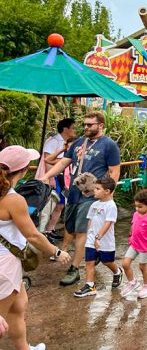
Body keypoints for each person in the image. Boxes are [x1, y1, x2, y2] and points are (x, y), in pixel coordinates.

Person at [0, 146, 71, 350]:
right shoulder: (13, 200)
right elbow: (32, 235)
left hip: (8, 262)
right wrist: (56, 252)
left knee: (18, 307)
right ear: (24, 170)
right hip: (5, 265)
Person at [43, 111, 120, 286]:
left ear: (100, 125)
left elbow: (114, 171)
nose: (86, 127)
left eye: (90, 124)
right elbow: (64, 162)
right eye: (85, 124)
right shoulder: (79, 142)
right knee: (70, 228)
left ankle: (75, 268)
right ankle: (92, 254)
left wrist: (107, 195)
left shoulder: (109, 145)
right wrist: (45, 176)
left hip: (92, 196)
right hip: (74, 193)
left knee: (82, 231)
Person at [73, 177, 122, 298]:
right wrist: (89, 235)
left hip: (105, 241)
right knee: (89, 262)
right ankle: (90, 286)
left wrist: (98, 237)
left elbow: (108, 223)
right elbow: (90, 220)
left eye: (97, 188)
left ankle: (117, 271)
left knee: (107, 261)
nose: (94, 190)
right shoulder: (94, 205)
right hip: (91, 240)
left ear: (107, 191)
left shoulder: (111, 206)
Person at [36, 117, 77, 238]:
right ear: (65, 129)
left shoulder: (66, 142)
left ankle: (50, 229)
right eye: (72, 128)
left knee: (60, 204)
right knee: (50, 204)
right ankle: (42, 232)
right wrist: (51, 178)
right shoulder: (53, 141)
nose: (74, 130)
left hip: (63, 177)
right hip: (53, 177)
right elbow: (47, 160)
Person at [120, 189, 147, 300]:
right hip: (134, 244)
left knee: (142, 267)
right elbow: (133, 225)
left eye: (140, 207)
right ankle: (132, 282)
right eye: (136, 206)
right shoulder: (136, 214)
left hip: (144, 247)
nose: (137, 209)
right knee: (125, 264)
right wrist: (130, 235)